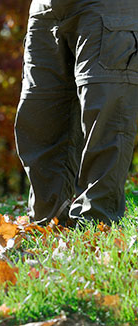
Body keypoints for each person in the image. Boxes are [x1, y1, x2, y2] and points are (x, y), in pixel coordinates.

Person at [15, 0, 138, 226]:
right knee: (39, 116)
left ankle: (97, 225)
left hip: (107, 7)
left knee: (104, 114)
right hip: (46, 8)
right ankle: (47, 225)